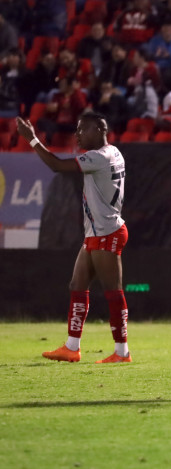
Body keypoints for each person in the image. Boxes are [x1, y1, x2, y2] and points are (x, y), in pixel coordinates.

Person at [16, 112, 131, 363]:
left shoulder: (98, 157)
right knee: (77, 286)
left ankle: (122, 352)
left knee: (113, 291)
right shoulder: (114, 152)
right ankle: (72, 347)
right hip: (96, 231)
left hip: (107, 232)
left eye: (82, 130)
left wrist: (32, 139)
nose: (77, 134)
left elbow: (57, 165)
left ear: (100, 130)